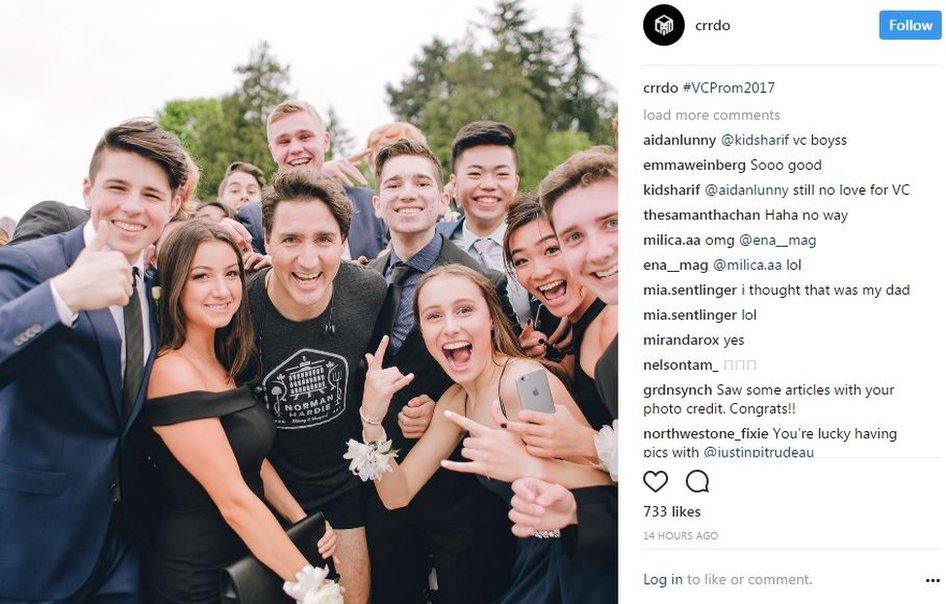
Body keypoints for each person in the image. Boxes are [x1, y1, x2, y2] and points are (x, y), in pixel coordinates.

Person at [0, 119, 187, 601]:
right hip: (34, 538)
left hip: (123, 545)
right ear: (87, 190)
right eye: (117, 187)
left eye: (150, 194)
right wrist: (62, 296)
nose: (131, 206)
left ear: (173, 205)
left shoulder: (153, 286)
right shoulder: (35, 265)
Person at [356, 264, 611, 603]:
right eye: (434, 316)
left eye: (464, 310)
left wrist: (527, 464)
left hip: (576, 561)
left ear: (490, 319)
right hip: (528, 558)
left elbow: (609, 479)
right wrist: (371, 419)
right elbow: (396, 494)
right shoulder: (457, 399)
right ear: (423, 333)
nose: (450, 327)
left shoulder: (525, 382)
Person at [144, 220, 337, 602]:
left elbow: (253, 461)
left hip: (248, 557)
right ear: (173, 285)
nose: (222, 290)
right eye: (201, 276)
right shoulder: (171, 371)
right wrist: (317, 588)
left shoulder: (222, 361)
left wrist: (302, 521)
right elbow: (235, 501)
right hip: (198, 574)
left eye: (231, 274)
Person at [364, 139, 520, 603]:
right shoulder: (364, 280)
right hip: (386, 487)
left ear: (443, 197)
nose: (407, 193)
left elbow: (501, 365)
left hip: (463, 498)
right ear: (378, 203)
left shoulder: (483, 281)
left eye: (421, 182)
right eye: (394, 184)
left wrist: (443, 401)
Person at [245, 169, 388, 603]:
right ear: (266, 242)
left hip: (345, 497)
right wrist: (294, 517)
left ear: (344, 242)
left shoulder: (369, 292)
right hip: (264, 501)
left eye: (324, 240)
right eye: (290, 240)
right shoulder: (237, 312)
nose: (308, 260)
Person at [503, 195, 617, 432]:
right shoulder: (570, 323)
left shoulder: (612, 324)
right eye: (522, 260)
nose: (539, 272)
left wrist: (585, 444)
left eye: (552, 249)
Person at [236, 99, 386, 259]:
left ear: (325, 141)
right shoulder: (253, 218)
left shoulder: (369, 203)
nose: (295, 149)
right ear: (272, 151)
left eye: (305, 137)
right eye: (284, 142)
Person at [437, 121, 532, 325]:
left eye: (501, 174)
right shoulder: (435, 244)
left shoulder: (540, 241)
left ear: (515, 184)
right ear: (454, 183)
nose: (489, 185)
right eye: (475, 174)